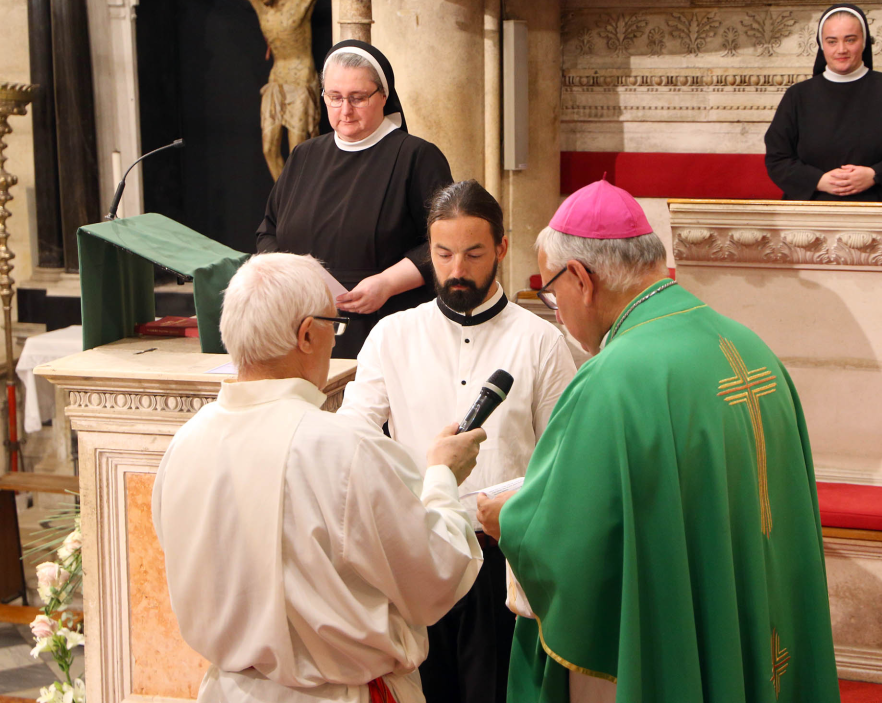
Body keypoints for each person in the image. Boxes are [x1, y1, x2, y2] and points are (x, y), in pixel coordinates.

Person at [478, 179, 841, 702]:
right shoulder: (750, 347)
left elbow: (569, 539)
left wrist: (507, 520)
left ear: (580, 278)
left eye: (551, 292)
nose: (556, 308)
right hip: (751, 617)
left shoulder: (614, 377)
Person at [152, 252, 486, 703]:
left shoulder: (185, 445)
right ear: (306, 334)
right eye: (334, 325)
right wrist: (443, 475)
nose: (334, 342)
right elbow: (433, 577)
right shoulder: (339, 448)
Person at [337, 180, 578, 703]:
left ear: (501, 248)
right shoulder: (392, 336)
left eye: (473, 254)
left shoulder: (541, 341)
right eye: (443, 254)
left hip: (500, 557)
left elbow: (563, 458)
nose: (457, 269)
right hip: (413, 555)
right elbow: (351, 435)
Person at [256, 40, 453, 358]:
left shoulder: (416, 157)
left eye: (358, 98)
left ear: (383, 96)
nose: (344, 110)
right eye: (334, 98)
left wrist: (386, 283)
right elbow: (269, 230)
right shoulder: (304, 155)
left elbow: (445, 243)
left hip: (384, 328)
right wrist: (286, 279)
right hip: (301, 327)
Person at [765, 3, 882, 201]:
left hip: (877, 206)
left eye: (850, 40)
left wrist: (876, 175)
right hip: (811, 208)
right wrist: (818, 180)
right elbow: (778, 157)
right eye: (832, 41)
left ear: (864, 42)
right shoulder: (798, 95)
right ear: (821, 44)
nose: (841, 49)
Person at [205, 0, 329, 181]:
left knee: (297, 149)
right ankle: (284, 198)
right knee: (269, 148)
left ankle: (301, 200)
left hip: (301, 80)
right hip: (276, 79)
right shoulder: (259, 2)